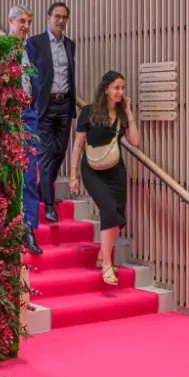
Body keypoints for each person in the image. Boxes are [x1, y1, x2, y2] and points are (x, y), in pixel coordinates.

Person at [68, 71, 140, 284]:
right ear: (106, 89)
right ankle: (107, 264)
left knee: (117, 217)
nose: (120, 92)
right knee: (108, 210)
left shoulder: (121, 114)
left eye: (123, 88)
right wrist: (73, 174)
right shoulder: (89, 111)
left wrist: (128, 111)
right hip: (92, 169)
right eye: (116, 88)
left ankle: (102, 256)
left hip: (116, 171)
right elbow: (78, 144)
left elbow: (134, 141)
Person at [25, 2, 75, 223]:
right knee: (45, 155)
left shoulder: (70, 45)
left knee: (59, 152)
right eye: (57, 16)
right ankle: (48, 204)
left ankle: (43, 189)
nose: (61, 20)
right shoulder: (35, 43)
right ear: (48, 18)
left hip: (64, 104)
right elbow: (30, 74)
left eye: (64, 17)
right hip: (44, 105)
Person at [9, 5, 41, 254]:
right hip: (9, 114)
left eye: (28, 21)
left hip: (29, 112)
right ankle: (11, 226)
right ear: (10, 20)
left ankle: (28, 228)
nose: (26, 26)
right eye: (21, 20)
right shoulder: (1, 47)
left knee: (30, 171)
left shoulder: (30, 48)